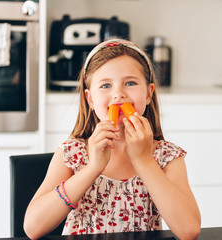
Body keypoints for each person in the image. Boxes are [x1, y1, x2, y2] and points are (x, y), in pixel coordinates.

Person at [24, 39, 201, 240]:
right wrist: (92, 168)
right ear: (90, 99)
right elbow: (33, 227)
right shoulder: (72, 153)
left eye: (130, 83)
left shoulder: (167, 156)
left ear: (149, 93)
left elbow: (189, 231)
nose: (118, 94)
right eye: (106, 85)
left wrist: (144, 161)